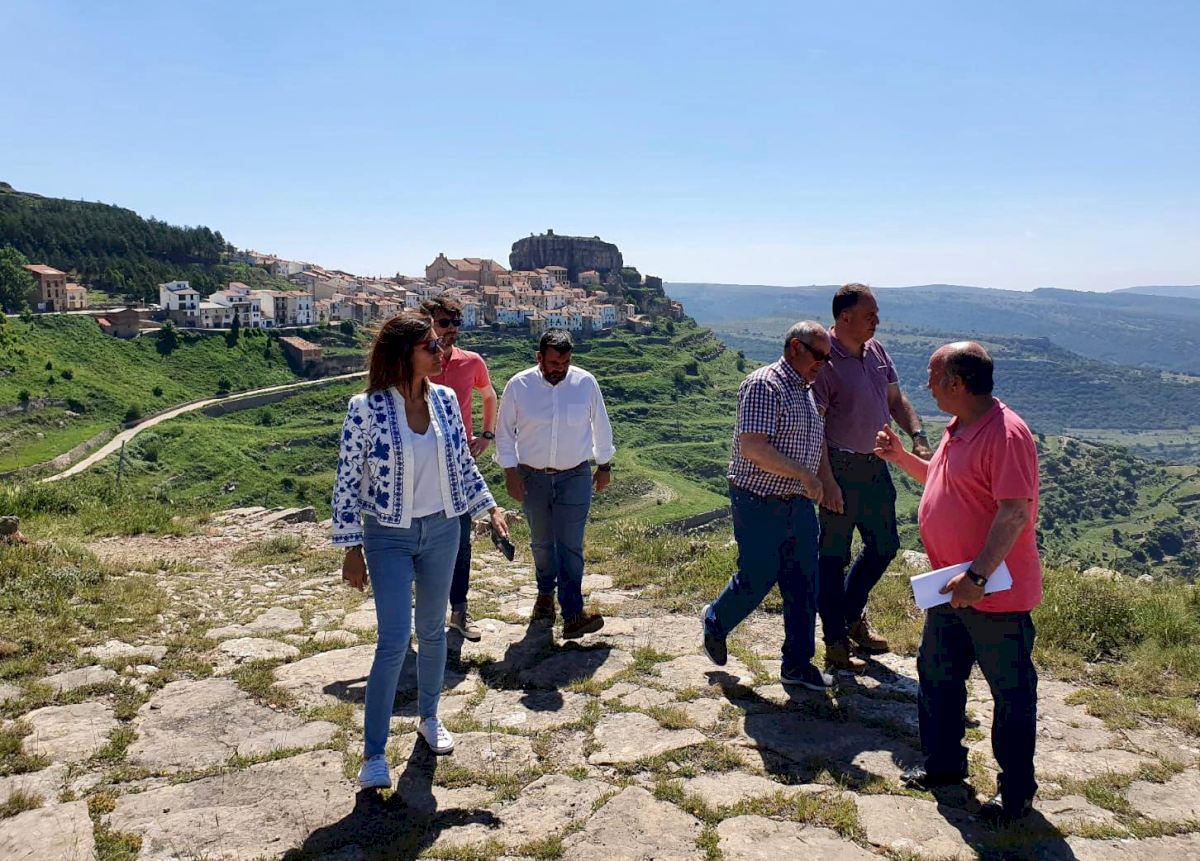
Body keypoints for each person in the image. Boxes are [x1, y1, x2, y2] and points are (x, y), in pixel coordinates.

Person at [332, 312, 510, 790]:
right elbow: (347, 480)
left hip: (443, 530)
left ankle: (430, 717)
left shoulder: (447, 401)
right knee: (393, 641)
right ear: (403, 354)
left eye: (440, 344)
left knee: (432, 632)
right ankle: (374, 754)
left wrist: (490, 508)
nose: (441, 352)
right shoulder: (365, 408)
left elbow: (463, 466)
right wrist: (351, 547)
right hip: (387, 535)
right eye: (430, 346)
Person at [875, 341, 1041, 823]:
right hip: (951, 587)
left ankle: (1016, 793)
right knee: (938, 677)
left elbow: (1014, 513)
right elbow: (944, 482)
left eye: (933, 376)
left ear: (956, 383)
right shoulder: (960, 426)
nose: (927, 386)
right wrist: (901, 458)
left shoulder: (1006, 434)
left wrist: (978, 575)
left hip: (993, 592)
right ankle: (944, 765)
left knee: (1010, 694)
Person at [701, 320, 836, 692]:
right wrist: (805, 475)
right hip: (758, 500)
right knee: (758, 576)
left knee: (804, 582)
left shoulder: (806, 390)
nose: (823, 364)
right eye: (819, 355)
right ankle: (716, 620)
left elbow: (815, 443)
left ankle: (797, 665)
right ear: (795, 347)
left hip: (797, 503)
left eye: (828, 358)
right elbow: (753, 447)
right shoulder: (765, 385)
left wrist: (822, 480)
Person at [812, 284, 932, 671]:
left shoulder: (876, 351)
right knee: (833, 558)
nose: (877, 321)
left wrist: (917, 437)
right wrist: (827, 481)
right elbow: (815, 429)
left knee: (884, 545)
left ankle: (849, 617)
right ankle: (835, 643)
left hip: (875, 464)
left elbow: (896, 400)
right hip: (839, 467)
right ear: (845, 318)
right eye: (870, 315)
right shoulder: (824, 361)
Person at [495, 329, 614, 639]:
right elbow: (504, 432)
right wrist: (510, 473)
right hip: (531, 476)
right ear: (540, 358)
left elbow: (601, 426)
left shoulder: (585, 383)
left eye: (565, 362)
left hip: (575, 475)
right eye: (553, 363)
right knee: (542, 542)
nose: (559, 368)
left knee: (571, 544)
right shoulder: (518, 386)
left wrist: (604, 465)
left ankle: (573, 613)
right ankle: (545, 596)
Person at [423, 296, 499, 643]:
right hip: (422, 463)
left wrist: (486, 435)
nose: (452, 329)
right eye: (444, 323)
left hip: (458, 462)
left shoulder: (472, 362)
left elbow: (489, 396)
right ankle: (423, 614)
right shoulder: (416, 363)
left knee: (461, 540)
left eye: (456, 323)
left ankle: (459, 610)